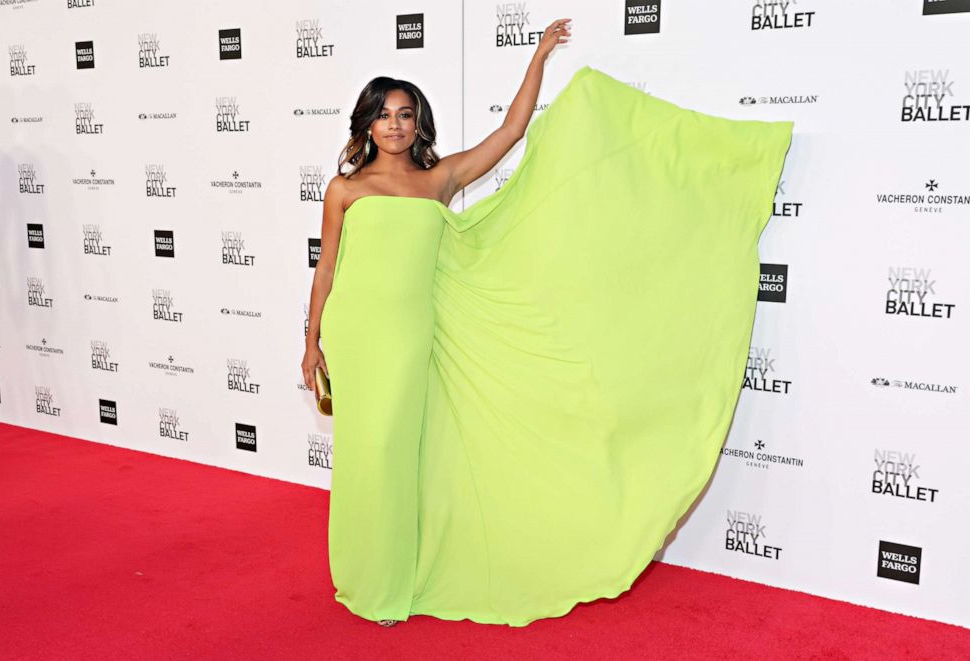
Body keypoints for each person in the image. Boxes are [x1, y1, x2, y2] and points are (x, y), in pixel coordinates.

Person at [301, 17, 793, 628]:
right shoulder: (344, 189)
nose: (396, 125)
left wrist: (537, 58)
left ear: (418, 123)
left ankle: (396, 576)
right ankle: (366, 577)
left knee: (400, 454)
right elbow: (327, 270)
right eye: (385, 114)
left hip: (409, 338)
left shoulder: (438, 179)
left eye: (406, 114)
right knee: (366, 454)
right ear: (367, 123)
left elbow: (511, 132)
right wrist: (312, 339)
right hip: (357, 333)